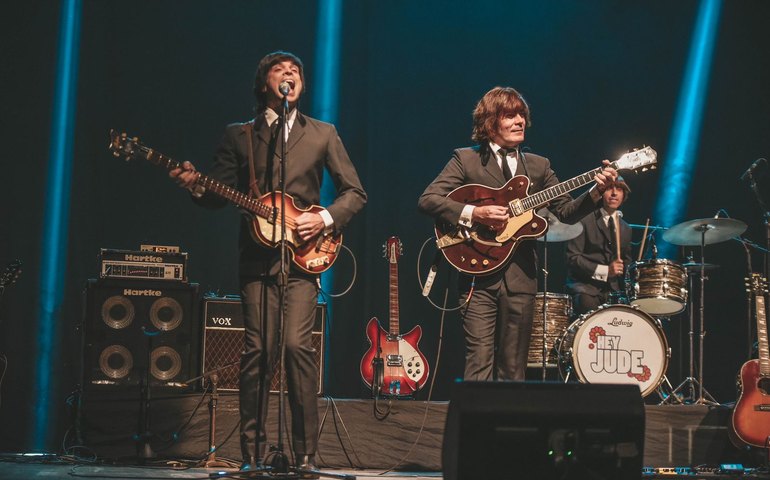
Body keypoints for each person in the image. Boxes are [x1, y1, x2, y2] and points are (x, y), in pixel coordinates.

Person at [170, 51, 366, 475]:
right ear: (265, 85)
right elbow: (216, 193)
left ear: (302, 85)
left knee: (298, 348)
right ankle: (252, 454)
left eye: (295, 70)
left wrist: (324, 216)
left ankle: (306, 456)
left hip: (303, 259)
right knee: (258, 351)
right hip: (257, 261)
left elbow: (355, 192)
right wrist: (195, 186)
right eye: (280, 70)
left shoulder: (322, 133)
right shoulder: (241, 135)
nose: (289, 74)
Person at [417, 86, 617, 381]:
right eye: (510, 115)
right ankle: (475, 427)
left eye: (522, 114)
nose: (520, 121)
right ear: (490, 122)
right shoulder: (466, 159)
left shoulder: (538, 166)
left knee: (514, 370)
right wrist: (475, 213)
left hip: (521, 278)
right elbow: (428, 199)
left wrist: (596, 190)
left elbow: (566, 212)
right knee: (479, 365)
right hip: (476, 274)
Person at [566, 177, 633, 315]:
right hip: (585, 289)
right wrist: (606, 271)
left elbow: (626, 262)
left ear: (624, 195)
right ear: (601, 192)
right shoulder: (583, 220)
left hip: (613, 292)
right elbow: (573, 258)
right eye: (609, 188)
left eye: (619, 189)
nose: (614, 193)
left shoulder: (625, 228)